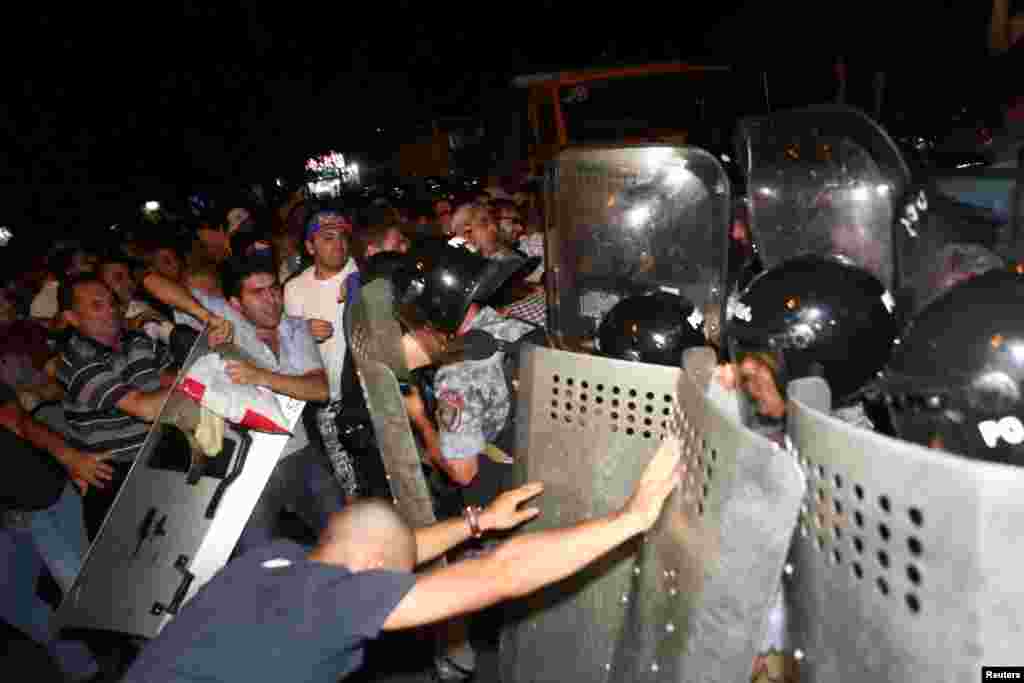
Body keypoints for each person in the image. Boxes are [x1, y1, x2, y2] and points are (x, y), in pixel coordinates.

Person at [120, 439, 684, 683]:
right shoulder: (329, 604)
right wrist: (629, 519)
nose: (400, 590)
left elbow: (392, 547)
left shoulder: (275, 562)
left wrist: (477, 522)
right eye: (396, 583)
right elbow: (500, 575)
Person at [143, 253, 345, 553]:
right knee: (259, 564)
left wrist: (261, 376)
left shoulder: (295, 328)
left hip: (299, 454)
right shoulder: (225, 318)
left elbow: (318, 389)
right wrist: (205, 317)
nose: (271, 300)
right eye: (258, 293)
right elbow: (149, 280)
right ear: (235, 303)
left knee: (346, 537)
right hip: (243, 469)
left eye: (274, 289)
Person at [283, 209, 361, 499]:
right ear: (310, 247)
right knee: (348, 484)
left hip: (368, 395)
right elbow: (287, 344)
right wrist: (303, 331)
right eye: (328, 238)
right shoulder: (294, 288)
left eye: (342, 237)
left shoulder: (362, 273)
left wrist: (358, 286)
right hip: (327, 403)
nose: (338, 244)